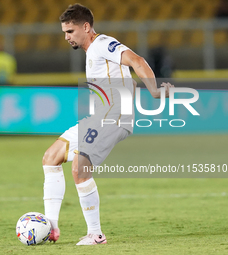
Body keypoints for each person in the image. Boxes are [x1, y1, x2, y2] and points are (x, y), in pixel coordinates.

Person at [42, 4, 174, 246]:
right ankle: (50, 227)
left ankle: (96, 234)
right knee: (51, 157)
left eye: (70, 31)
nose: (66, 37)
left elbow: (137, 60)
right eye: (64, 32)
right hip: (99, 117)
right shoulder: (93, 51)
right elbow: (125, 76)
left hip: (113, 117)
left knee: (80, 170)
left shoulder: (102, 43)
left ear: (86, 27)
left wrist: (154, 91)